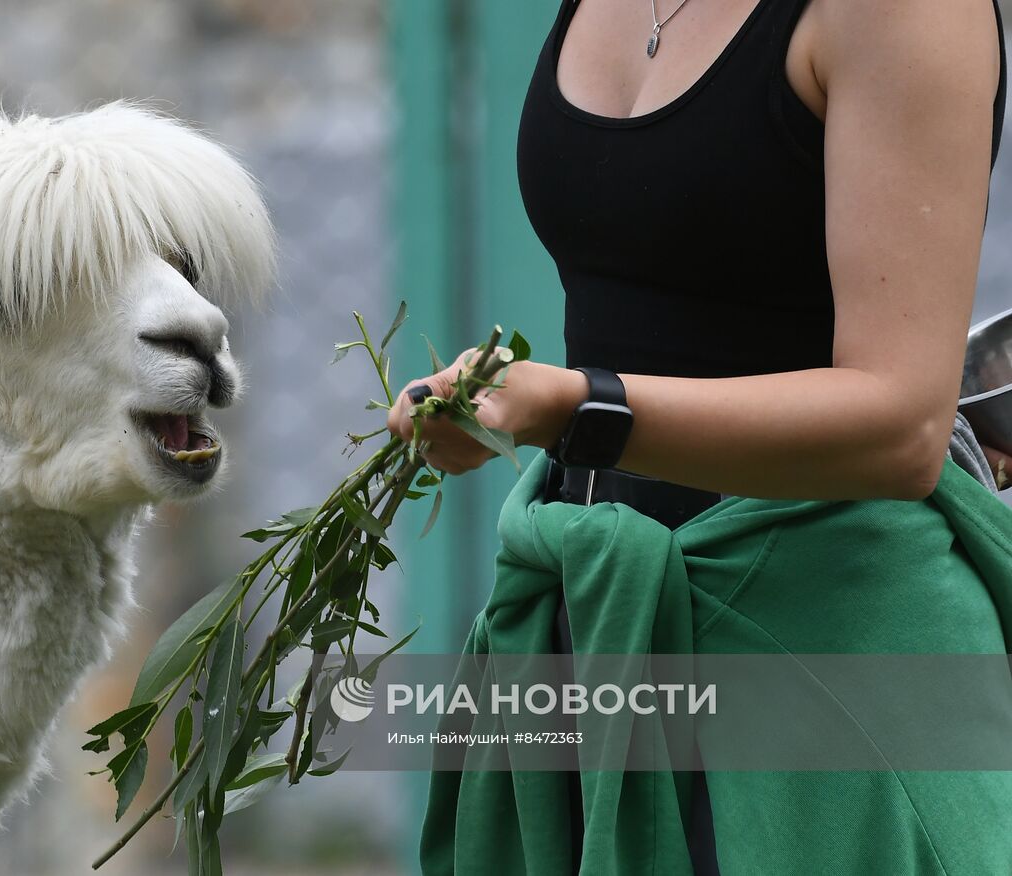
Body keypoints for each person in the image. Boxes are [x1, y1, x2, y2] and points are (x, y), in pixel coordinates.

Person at [387, 0, 1008, 871]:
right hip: (597, 637)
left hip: (826, 670)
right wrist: (484, 404)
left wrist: (577, 410)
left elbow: (899, 427)